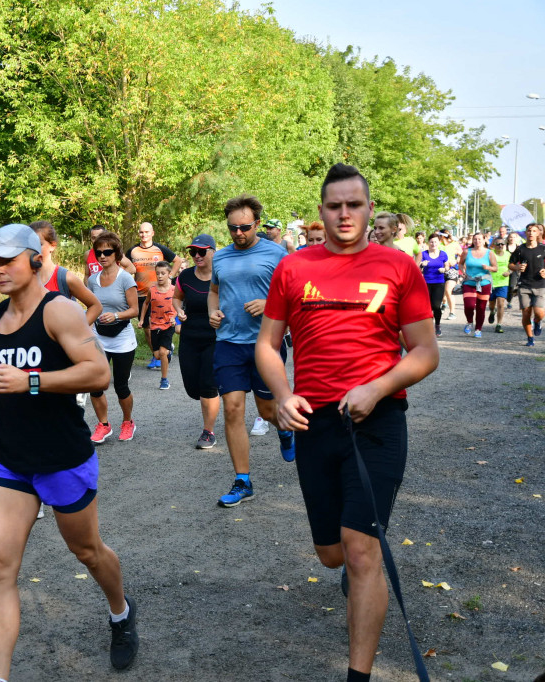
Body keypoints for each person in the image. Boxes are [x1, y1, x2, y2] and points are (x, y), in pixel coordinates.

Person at [255, 163, 439, 682]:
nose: (343, 214)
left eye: (354, 205)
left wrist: (378, 387)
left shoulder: (397, 267)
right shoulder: (294, 269)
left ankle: (358, 673)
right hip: (315, 423)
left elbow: (425, 351)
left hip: (378, 422)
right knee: (332, 554)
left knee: (361, 554)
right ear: (321, 211)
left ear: (369, 208)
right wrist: (283, 394)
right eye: (334, 206)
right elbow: (268, 346)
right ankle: (355, 572)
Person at [0, 224, 138, 682]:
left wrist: (30, 383)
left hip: (63, 457)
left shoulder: (59, 311)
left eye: (8, 260)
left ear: (35, 260)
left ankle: (121, 612)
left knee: (87, 551)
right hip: (9, 460)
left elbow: (97, 373)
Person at [207, 194, 295, 508]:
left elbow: (292, 297)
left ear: (257, 223)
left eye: (244, 227)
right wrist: (212, 311)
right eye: (232, 228)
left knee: (270, 411)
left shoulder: (277, 254)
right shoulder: (221, 257)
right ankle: (242, 481)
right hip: (229, 343)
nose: (238, 233)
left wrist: (269, 304)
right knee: (232, 409)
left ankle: (285, 432)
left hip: (265, 344)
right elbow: (214, 292)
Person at [87, 231, 139, 443]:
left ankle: (127, 422)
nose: (102, 256)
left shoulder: (125, 278)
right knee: (96, 384)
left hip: (122, 338)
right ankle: (103, 424)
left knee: (120, 385)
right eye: (98, 252)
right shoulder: (92, 280)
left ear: (116, 253)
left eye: (107, 252)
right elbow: (91, 307)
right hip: (99, 337)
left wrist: (116, 315)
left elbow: (135, 310)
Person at [173, 234, 222, 448]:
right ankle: (210, 397)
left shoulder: (222, 276)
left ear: (213, 251)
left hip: (214, 339)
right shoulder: (185, 276)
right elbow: (177, 298)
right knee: (193, 389)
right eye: (193, 252)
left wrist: (222, 316)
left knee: (207, 386)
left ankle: (208, 431)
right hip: (189, 338)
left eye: (202, 251)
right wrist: (178, 312)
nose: (197, 256)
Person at [126, 222, 183, 369]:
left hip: (160, 294)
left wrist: (170, 277)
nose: (143, 235)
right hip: (140, 295)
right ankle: (156, 353)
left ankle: (162, 351)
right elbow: (122, 265)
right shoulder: (133, 251)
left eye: (146, 232)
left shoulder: (159, 249)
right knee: (146, 329)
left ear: (152, 233)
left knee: (159, 324)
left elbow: (177, 260)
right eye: (141, 232)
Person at [29, 221, 101, 324]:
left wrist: (76, 333)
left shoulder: (64, 278)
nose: (34, 249)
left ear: (52, 245)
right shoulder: (23, 278)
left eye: (39, 244)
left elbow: (96, 306)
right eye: (30, 244)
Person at [509, 222, 545, 347]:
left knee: (540, 313)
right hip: (524, 284)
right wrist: (517, 267)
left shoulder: (544, 248)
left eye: (534, 231)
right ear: (526, 233)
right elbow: (510, 264)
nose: (531, 233)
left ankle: (537, 322)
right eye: (529, 231)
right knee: (526, 312)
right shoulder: (520, 249)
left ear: (538, 233)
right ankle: (530, 338)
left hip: (540, 284)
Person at [141, 261, 176, 390]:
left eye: (163, 273)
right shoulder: (152, 290)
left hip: (168, 324)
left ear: (169, 274)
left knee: (161, 353)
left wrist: (175, 316)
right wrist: (141, 319)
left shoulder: (174, 290)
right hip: (155, 325)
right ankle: (169, 350)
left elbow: (179, 303)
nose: (160, 276)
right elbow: (145, 304)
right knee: (157, 355)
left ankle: (164, 380)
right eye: (157, 274)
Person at [458, 232, 497, 338]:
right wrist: (463, 272)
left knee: (481, 307)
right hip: (469, 281)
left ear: (484, 240)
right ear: (472, 241)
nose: (477, 241)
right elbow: (460, 263)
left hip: (484, 282)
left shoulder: (489, 253)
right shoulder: (467, 251)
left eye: (479, 239)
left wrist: (488, 268)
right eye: (475, 239)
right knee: (469, 305)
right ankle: (469, 322)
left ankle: (478, 329)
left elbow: (495, 268)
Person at [417, 233, 451, 336]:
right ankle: (427, 326)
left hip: (439, 282)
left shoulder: (443, 254)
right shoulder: (423, 254)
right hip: (426, 282)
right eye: (431, 242)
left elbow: (447, 267)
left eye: (435, 241)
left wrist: (444, 269)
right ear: (428, 243)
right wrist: (422, 265)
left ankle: (437, 325)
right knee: (426, 306)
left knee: (436, 306)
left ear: (439, 242)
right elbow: (417, 267)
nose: (433, 244)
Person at [487, 237, 512, 333]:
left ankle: (499, 324)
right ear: (494, 245)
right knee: (492, 303)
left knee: (501, 303)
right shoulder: (490, 253)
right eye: (498, 244)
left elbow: (512, 266)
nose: (500, 246)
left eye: (502, 244)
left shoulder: (508, 254)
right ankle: (492, 312)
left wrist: (509, 272)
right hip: (491, 281)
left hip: (503, 282)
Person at [439, 230, 461, 319]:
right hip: (440, 270)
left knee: (448, 290)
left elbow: (462, 255)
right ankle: (444, 303)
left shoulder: (454, 244)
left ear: (443, 236)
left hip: (452, 270)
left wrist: (456, 261)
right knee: (442, 293)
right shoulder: (438, 245)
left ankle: (452, 313)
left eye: (439, 236)